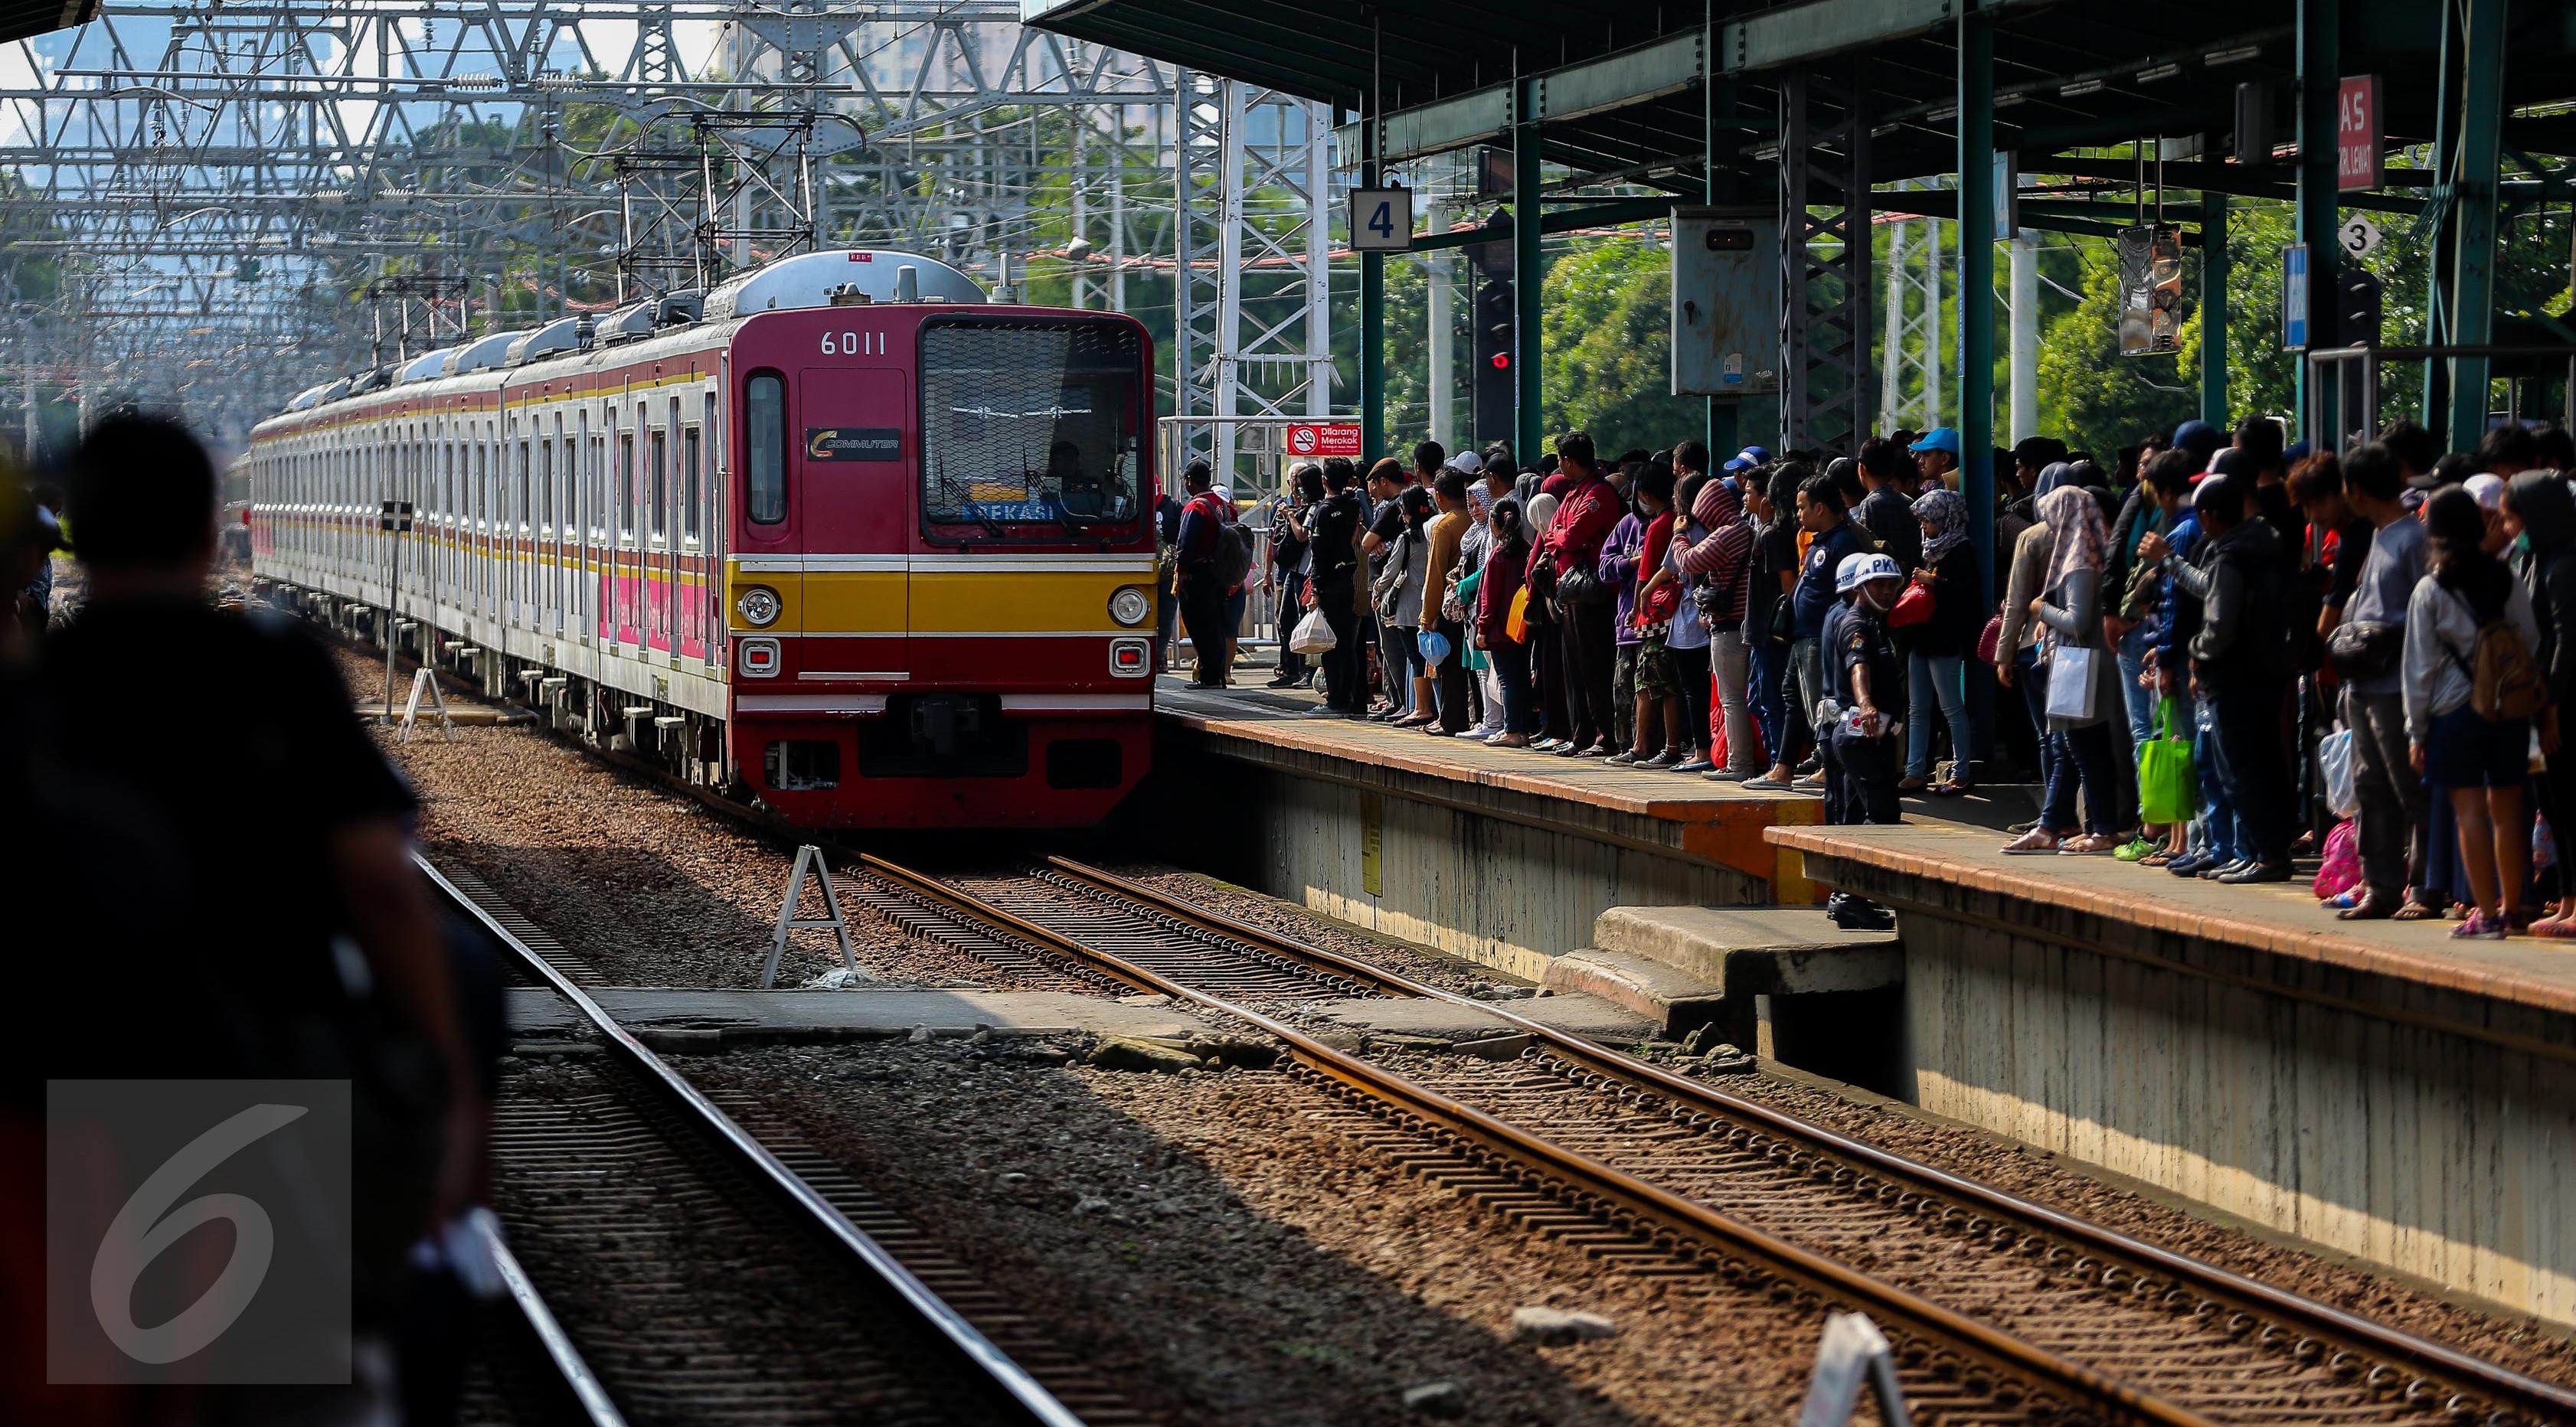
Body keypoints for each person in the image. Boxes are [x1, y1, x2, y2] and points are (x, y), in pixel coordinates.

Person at [36, 413, 483, 1411]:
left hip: (74, 1089)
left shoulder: (41, 689)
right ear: (210, 534)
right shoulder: (273, 670)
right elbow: (380, 887)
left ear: (75, 535)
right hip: (262, 1080)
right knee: (272, 1373)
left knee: (101, 1375)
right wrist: (446, 1091)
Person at [2406, 486, 2543, 937]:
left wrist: (2416, 730)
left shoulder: (2431, 588)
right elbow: (2530, 640)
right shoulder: (2506, 578)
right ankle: (2516, 906)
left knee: (2469, 812)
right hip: (2507, 708)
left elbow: (2420, 667)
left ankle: (2485, 915)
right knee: (2507, 808)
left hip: (2453, 712)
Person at [2323, 443, 2437, 919]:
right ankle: (2380, 884)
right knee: (2369, 784)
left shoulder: (2411, 538)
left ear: (2357, 490)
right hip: (2365, 683)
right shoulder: (2378, 535)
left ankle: (2425, 887)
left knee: (2408, 787)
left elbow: (2423, 613)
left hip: (2396, 684)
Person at [2174, 473, 2296, 883]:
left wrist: (2197, 651)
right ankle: (2266, 851)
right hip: (2269, 670)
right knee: (2267, 764)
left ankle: (2267, 856)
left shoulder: (2230, 556)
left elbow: (2219, 624)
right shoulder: (2265, 544)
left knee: (2240, 769)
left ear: (2208, 517)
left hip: (2234, 676)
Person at [2004, 481, 2127, 854]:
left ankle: (2100, 828)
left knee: (2083, 751)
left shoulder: (2078, 563)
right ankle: (2060, 825)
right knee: (2077, 750)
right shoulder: (2092, 554)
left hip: (2080, 666)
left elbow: (2077, 621)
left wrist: (2041, 610)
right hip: (2086, 664)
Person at [2504, 471, 2576, 935]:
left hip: (2563, 701)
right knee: (2554, 805)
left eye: (2513, 519)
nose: (2509, 529)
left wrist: (2551, 703)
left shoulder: (2566, 563)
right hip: (2541, 699)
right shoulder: (2536, 559)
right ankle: (2568, 900)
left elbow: (2568, 638)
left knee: (2570, 802)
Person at [1535, 432, 1624, 757]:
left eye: (1561, 459)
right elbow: (1554, 534)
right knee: (1573, 667)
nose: (1559, 465)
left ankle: (1604, 734)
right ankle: (1581, 733)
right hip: (1569, 591)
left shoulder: (1598, 494)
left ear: (1570, 461)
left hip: (1592, 593)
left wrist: (1562, 537)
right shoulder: (1576, 493)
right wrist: (1561, 536)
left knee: (1594, 665)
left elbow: (1569, 536)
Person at [1785, 470, 1868, 790]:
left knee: (1825, 703)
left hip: (1820, 636)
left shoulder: (1842, 541)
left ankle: (1829, 764)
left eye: (1802, 507)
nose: (1799, 514)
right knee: (1797, 697)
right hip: (1802, 634)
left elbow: (1849, 592)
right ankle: (1809, 762)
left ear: (1820, 507)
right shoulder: (1820, 541)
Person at [1674, 472, 1760, 778]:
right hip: (1747, 624)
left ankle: (1739, 763)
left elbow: (1689, 562)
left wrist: (1679, 535)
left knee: (1731, 698)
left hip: (1729, 627)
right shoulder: (1747, 529)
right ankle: (1757, 758)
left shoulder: (1726, 534)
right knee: (1747, 696)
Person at [1901, 488, 1981, 795]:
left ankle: (1962, 771)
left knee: (1950, 707)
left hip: (1946, 638)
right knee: (1917, 707)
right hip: (1922, 636)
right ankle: (1914, 770)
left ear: (1943, 518)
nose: (1924, 527)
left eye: (1927, 521)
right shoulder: (1930, 549)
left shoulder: (1961, 550)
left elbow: (1967, 595)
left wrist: (1932, 581)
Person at [1741, 462, 1806, 789]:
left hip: (1770, 631)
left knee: (1770, 700)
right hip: (1762, 631)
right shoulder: (1775, 532)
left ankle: (1779, 765)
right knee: (1759, 699)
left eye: (1751, 492)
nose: (1745, 497)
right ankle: (1775, 762)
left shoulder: (1773, 535)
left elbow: (1787, 583)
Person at [1303, 457, 1368, 717]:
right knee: (1350, 644)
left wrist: (1316, 590)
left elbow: (1319, 555)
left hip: (1330, 584)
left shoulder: (1323, 511)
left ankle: (1336, 701)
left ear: (1324, 481)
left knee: (1330, 645)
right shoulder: (1355, 505)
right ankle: (1353, 700)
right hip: (1352, 580)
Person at [1374, 485, 1438, 726]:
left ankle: (1421, 708)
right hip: (1431, 603)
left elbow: (1390, 573)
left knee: (1415, 656)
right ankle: (1429, 707)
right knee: (1430, 657)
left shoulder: (1407, 538)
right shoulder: (1434, 532)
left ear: (1406, 512)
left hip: (1409, 607)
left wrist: (1379, 590)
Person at [1476, 496, 1536, 746]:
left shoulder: (1499, 555)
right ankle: (1521, 729)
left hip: (1501, 629)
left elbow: (1489, 596)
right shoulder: (1527, 549)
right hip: (1523, 626)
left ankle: (1512, 730)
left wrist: (1483, 628)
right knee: (1521, 676)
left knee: (1507, 679)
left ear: (1494, 523)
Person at [1173, 460, 1236, 687]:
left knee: (1199, 625)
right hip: (1220, 574)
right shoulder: (1224, 505)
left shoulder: (1195, 507)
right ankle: (1218, 674)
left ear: (1189, 480)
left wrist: (1181, 573)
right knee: (1216, 624)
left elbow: (1186, 545)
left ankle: (1208, 676)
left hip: (1198, 575)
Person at [1423, 471, 1475, 735]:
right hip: (1473, 602)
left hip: (1449, 605)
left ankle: (1451, 720)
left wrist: (1427, 615)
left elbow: (1435, 573)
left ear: (1439, 496)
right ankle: (1477, 720)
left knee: (1449, 668)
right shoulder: (1476, 519)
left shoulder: (1444, 526)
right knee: (1472, 667)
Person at [1854, 436, 1921, 573]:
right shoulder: (1909, 501)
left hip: (1884, 577)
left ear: (1862, 469)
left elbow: (1868, 548)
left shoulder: (1869, 504)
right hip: (1909, 578)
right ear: (1892, 470)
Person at [1907, 426, 1960, 491]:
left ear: (1945, 459)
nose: (1920, 461)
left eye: (1926, 455)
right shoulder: (1935, 487)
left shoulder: (1945, 493)